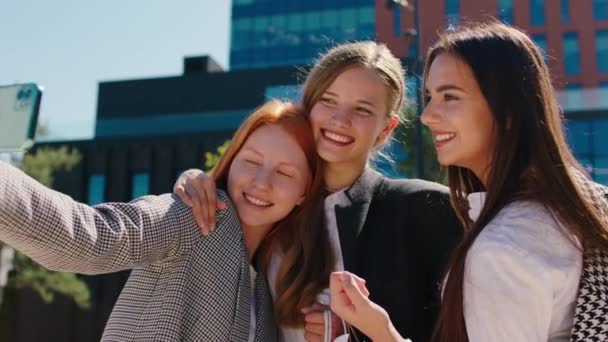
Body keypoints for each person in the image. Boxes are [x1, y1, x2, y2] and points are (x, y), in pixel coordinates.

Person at [328, 22, 608, 342]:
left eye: (450, 97)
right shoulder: (580, 206)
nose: (427, 115)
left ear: (506, 108)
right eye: (431, 97)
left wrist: (381, 334)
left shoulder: (503, 248)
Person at [174, 41, 463, 342]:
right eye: (328, 101)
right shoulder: (269, 202)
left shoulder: (426, 209)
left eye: (362, 110)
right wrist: (198, 179)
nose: (340, 120)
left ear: (386, 129)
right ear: (307, 106)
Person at [0, 101, 330, 342]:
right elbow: (93, 236)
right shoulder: (196, 215)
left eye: (285, 173)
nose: (261, 181)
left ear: (304, 192)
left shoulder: (270, 280)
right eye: (251, 161)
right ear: (231, 162)